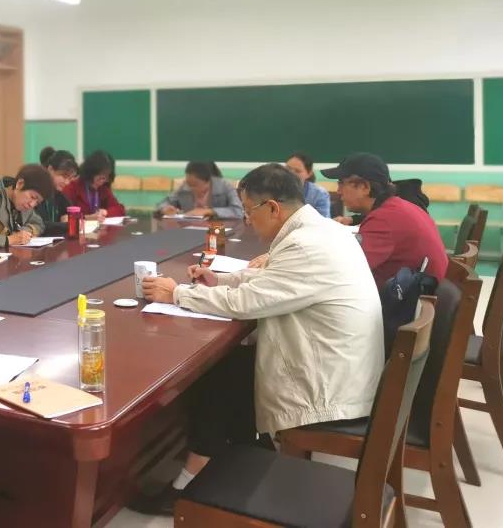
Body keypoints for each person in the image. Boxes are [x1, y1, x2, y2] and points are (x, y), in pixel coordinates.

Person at [133, 163, 383, 516]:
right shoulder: (320, 230)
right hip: (340, 367)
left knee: (221, 374)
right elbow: (272, 281)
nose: (247, 220)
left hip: (329, 387)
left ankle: (194, 476)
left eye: (249, 211)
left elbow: (248, 303)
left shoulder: (306, 245)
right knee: (231, 368)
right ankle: (233, 459)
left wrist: (176, 294)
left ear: (273, 208)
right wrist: (218, 280)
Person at [321, 152, 448, 286]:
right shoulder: (397, 207)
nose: (338, 191)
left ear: (365, 187)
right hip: (422, 290)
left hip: (418, 296)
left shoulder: (384, 220)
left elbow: (344, 270)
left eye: (341, 183)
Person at [0, 164, 54, 249]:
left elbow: (38, 224)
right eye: (32, 197)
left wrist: (25, 232)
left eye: (37, 202)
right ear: (20, 184)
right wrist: (9, 240)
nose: (32, 204)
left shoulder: (24, 205)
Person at [155, 161, 244, 219]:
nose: (189, 187)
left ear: (208, 181)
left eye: (194, 185)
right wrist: (164, 209)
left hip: (218, 231)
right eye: (188, 183)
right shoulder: (185, 187)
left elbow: (238, 211)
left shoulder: (225, 187)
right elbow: (162, 203)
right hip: (190, 230)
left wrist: (210, 211)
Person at [62, 150, 126, 219]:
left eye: (106, 178)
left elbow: (120, 209)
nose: (102, 182)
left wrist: (106, 212)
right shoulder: (72, 187)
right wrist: (89, 217)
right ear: (91, 173)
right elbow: (64, 217)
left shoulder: (103, 188)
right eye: (100, 178)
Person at [36, 147, 79, 236]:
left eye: (70, 178)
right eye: (64, 176)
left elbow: (73, 214)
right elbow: (38, 224)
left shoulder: (58, 194)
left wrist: (70, 218)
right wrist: (64, 225)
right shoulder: (35, 192)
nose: (67, 182)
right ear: (50, 169)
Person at [285, 151, 331, 218]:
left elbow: (323, 221)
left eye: (297, 171)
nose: (290, 173)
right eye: (288, 168)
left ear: (309, 174)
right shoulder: (274, 189)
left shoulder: (319, 194)